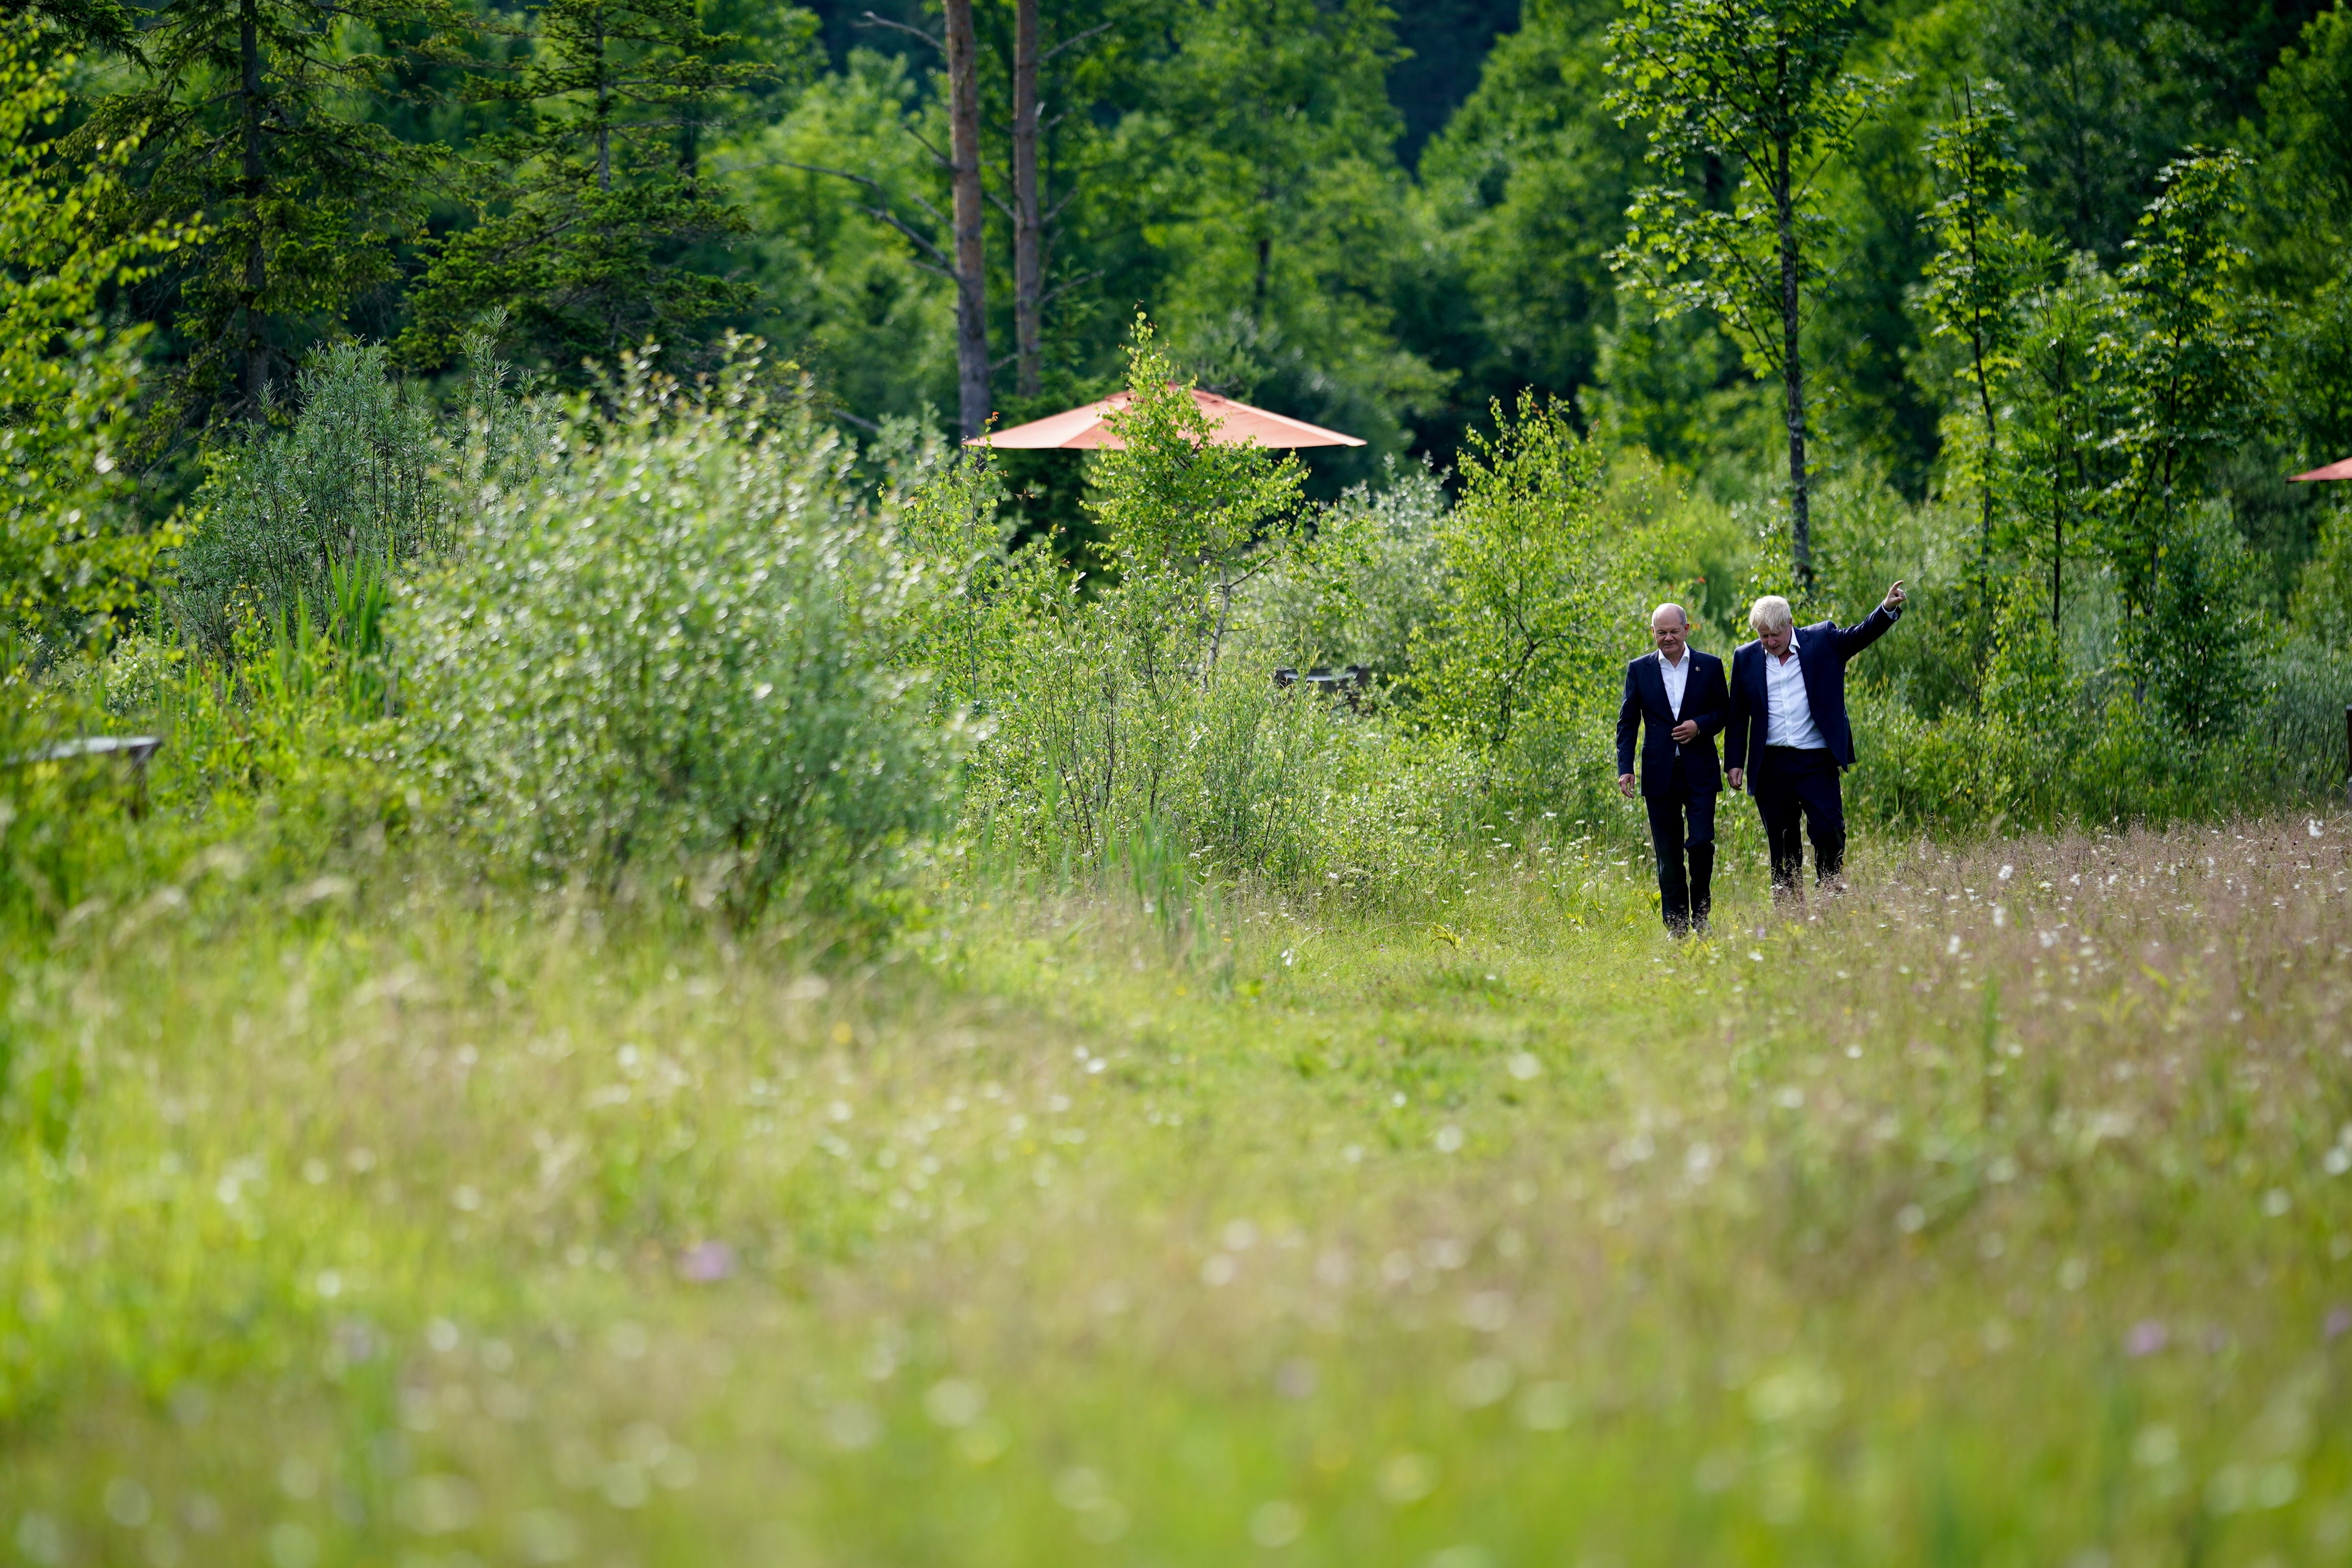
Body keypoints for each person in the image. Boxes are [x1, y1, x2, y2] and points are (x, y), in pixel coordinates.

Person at [1723, 583, 1907, 899]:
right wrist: (1734, 762)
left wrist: (1886, 608)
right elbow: (1738, 714)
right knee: (1782, 841)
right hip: (1771, 765)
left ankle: (1830, 896)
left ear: (1789, 624)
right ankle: (1789, 909)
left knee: (1829, 831)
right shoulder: (1745, 658)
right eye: (1762, 636)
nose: (1768, 642)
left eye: (1774, 635)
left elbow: (1859, 635)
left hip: (1816, 760)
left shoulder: (1821, 640)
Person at [1617, 603, 1730, 934]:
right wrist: (1625, 768)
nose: (1667, 638)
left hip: (1700, 771)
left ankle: (1702, 918)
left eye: (1673, 631)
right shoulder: (1639, 669)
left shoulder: (1709, 666)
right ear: (1652, 633)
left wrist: (1699, 725)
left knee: (1700, 845)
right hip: (1658, 773)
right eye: (1660, 632)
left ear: (1686, 629)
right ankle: (1676, 926)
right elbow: (1627, 723)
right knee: (1667, 856)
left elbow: (1724, 712)